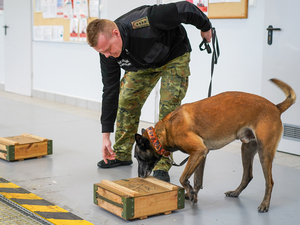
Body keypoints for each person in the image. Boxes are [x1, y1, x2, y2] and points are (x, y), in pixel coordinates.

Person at [86, 1, 212, 182]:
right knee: (126, 99)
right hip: (143, 64)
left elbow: (185, 8)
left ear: (116, 33)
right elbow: (110, 90)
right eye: (102, 52)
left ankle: (162, 164)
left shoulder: (147, 20)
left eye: (108, 49)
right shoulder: (107, 53)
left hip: (173, 57)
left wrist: (205, 27)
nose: (106, 55)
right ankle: (120, 154)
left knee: (168, 110)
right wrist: (105, 136)